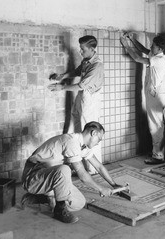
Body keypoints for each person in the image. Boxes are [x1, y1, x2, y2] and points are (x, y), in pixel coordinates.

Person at [21, 121, 122, 224]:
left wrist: (114, 185)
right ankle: (59, 210)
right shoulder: (71, 141)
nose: (98, 143)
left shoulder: (83, 146)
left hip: (48, 179)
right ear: (93, 133)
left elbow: (99, 167)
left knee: (79, 202)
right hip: (32, 178)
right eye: (99, 139)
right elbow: (82, 174)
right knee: (65, 169)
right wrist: (101, 189)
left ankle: (41, 197)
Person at [48, 35, 104, 174]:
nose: (80, 52)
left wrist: (61, 88)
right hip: (83, 95)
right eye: (80, 48)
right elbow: (77, 71)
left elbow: (80, 85)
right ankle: (79, 163)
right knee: (78, 129)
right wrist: (63, 76)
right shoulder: (87, 60)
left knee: (90, 133)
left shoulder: (97, 65)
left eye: (83, 49)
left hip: (90, 98)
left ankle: (92, 168)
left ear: (92, 49)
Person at [120, 32, 165, 165]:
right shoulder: (156, 54)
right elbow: (143, 50)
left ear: (159, 48)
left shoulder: (159, 60)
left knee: (155, 126)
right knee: (155, 124)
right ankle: (157, 151)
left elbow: (137, 58)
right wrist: (132, 39)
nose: (151, 47)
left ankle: (158, 156)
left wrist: (126, 46)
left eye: (153, 45)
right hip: (156, 93)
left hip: (157, 95)